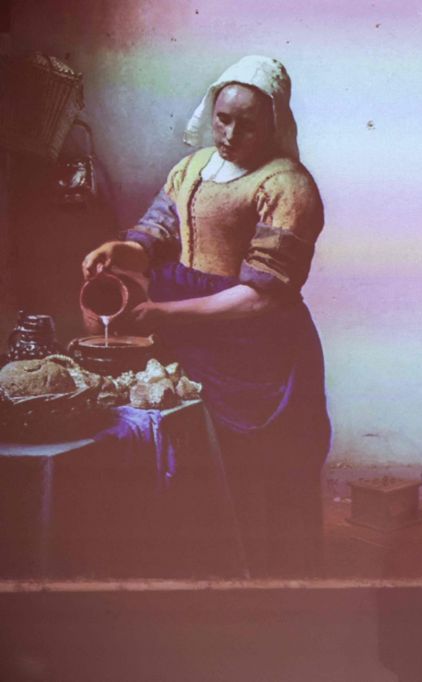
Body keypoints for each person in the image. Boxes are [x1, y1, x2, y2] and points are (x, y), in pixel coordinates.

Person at [81, 56, 330, 577]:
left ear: (273, 124)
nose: (230, 134)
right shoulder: (192, 168)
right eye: (223, 118)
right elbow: (155, 234)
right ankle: (201, 566)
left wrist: (163, 314)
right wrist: (119, 250)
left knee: (256, 464)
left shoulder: (288, 186)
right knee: (187, 448)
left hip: (255, 345)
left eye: (247, 124)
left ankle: (268, 578)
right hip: (188, 334)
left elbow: (262, 297)